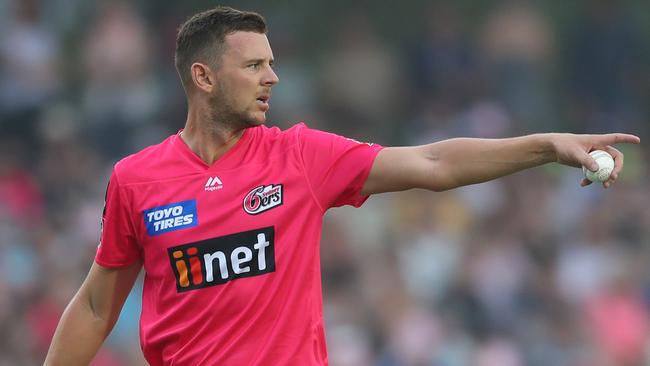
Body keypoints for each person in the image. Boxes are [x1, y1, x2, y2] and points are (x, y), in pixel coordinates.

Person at [44, 6, 640, 366]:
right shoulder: (136, 179)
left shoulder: (299, 154)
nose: (272, 77)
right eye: (253, 66)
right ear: (203, 76)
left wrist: (544, 145)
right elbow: (98, 304)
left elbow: (432, 162)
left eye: (272, 63)